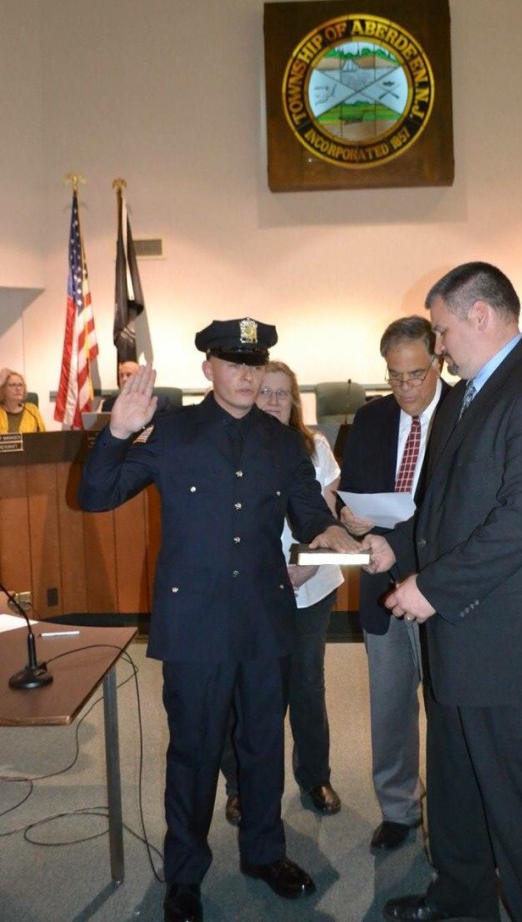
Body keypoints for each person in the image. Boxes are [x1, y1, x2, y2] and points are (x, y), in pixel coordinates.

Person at [77, 318, 361, 922]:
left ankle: (264, 853)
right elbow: (96, 496)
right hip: (195, 622)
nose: (246, 375)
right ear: (208, 368)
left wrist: (333, 532)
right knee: (194, 751)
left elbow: (309, 511)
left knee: (262, 745)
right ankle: (184, 874)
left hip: (263, 618)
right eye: (234, 363)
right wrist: (117, 433)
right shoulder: (173, 432)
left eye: (254, 365)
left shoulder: (281, 441)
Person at [363, 263, 522, 922]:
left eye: (441, 331)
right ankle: (460, 899)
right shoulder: (471, 394)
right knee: (458, 793)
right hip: (465, 644)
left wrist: (432, 586)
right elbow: (446, 506)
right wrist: (398, 547)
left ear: (481, 315)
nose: (437, 347)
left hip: (520, 654)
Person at [338, 316, 448, 851]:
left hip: (440, 589)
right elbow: (355, 490)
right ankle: (399, 808)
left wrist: (398, 542)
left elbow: (458, 510)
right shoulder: (371, 418)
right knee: (390, 707)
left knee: (448, 709)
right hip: (381, 585)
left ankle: (449, 816)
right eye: (394, 376)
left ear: (439, 363)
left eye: (416, 375)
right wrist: (350, 517)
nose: (405, 387)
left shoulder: (465, 414)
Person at [222, 360, 343, 824]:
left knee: (306, 686)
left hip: (309, 586)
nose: (273, 400)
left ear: (295, 401)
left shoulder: (315, 448)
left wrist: (304, 570)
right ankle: (241, 787)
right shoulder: (231, 447)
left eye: (282, 393)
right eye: (265, 391)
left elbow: (323, 520)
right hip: (250, 592)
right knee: (247, 692)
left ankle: (315, 777)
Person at [101, 360, 173, 413]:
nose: (124, 379)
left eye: (129, 374)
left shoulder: (159, 403)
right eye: (121, 375)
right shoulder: (108, 405)